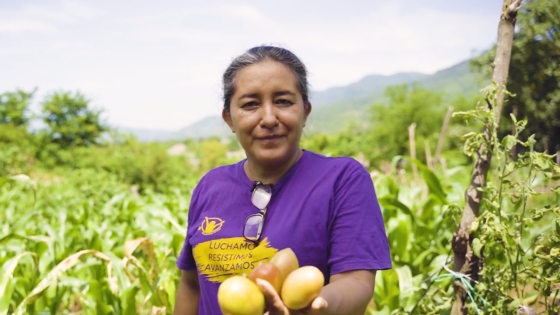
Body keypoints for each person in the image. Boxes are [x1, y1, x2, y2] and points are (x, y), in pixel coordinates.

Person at [174, 45, 392, 315]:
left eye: (283, 101)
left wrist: (315, 307)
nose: (268, 118)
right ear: (229, 118)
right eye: (250, 104)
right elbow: (191, 284)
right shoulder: (210, 185)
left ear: (305, 111)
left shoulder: (342, 180)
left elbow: (356, 282)